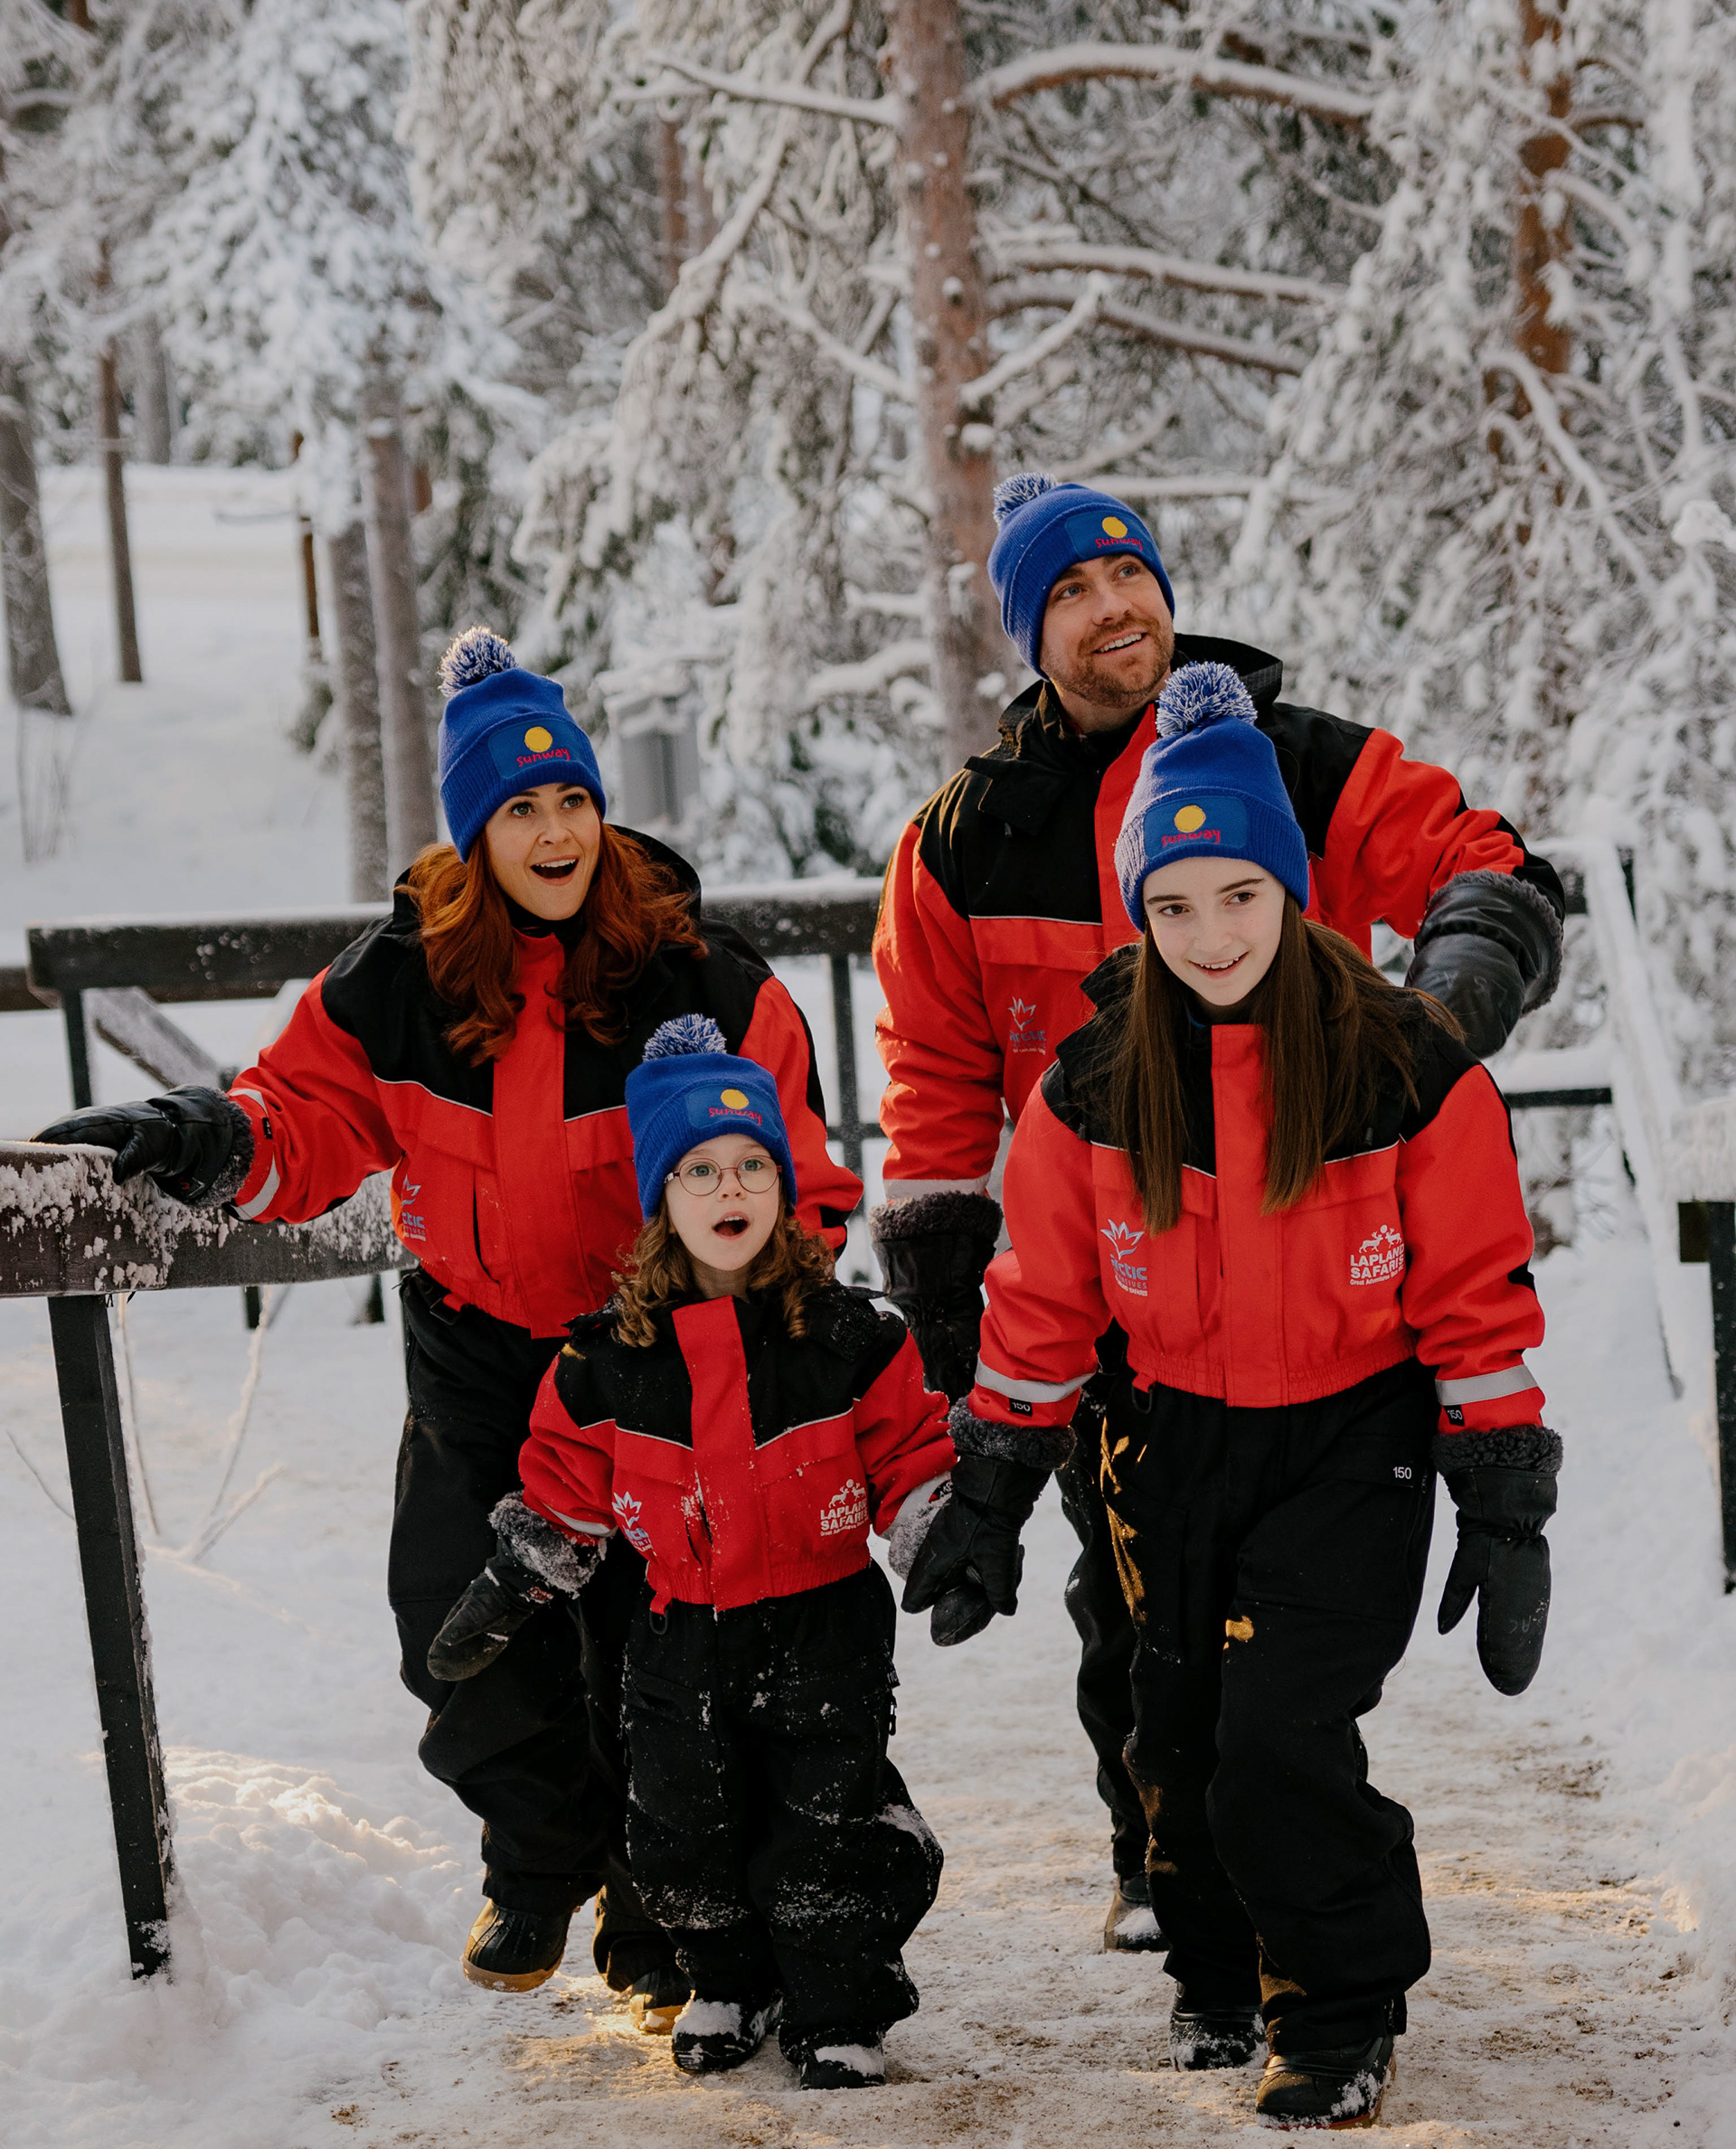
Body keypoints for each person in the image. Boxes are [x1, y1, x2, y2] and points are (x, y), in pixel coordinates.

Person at [34, 629, 861, 2019]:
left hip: (650, 1360)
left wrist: (782, 1319)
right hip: (476, 1352)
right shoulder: (402, 978)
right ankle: (540, 1859)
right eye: (521, 808)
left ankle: (662, 1910)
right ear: (475, 834)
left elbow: (800, 1172)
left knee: (655, 1648)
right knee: (456, 1628)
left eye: (574, 799)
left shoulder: (700, 977)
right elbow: (304, 1116)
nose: (556, 831)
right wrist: (205, 1133)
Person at [869, 470, 1566, 1949]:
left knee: (1293, 1640)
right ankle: (1168, 1871)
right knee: (1137, 1616)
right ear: (1027, 636)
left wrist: (1432, 1031)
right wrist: (951, 1317)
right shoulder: (961, 842)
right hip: (1118, 1296)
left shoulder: (1296, 764)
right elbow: (934, 1079)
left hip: (1317, 1283)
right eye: (1068, 591)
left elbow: (1489, 867)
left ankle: (1296, 1905)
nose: (1112, 605)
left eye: (1129, 572)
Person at [429, 1016, 955, 2088]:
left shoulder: (848, 1339)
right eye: (700, 1170)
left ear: (782, 1185)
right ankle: (727, 1979)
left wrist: (946, 1536)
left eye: (753, 1165)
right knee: (681, 1822)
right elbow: (568, 1484)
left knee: (825, 1820)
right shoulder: (609, 1362)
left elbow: (908, 1450)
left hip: (823, 1623)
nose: (730, 1189)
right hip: (679, 1631)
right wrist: (514, 1576)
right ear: (661, 1199)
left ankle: (835, 2004)